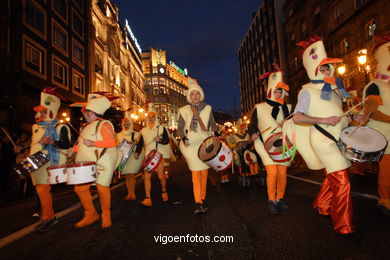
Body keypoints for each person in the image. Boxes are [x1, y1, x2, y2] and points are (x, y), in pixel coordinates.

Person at [291, 36, 367, 235]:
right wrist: (323, 120)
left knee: (333, 175)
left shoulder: (336, 90)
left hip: (339, 139)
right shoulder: (306, 92)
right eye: (323, 68)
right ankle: (344, 225)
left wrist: (354, 118)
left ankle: (322, 203)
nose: (327, 71)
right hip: (323, 141)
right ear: (314, 70)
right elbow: (297, 117)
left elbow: (342, 115)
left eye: (328, 68)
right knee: (342, 179)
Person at [71, 92, 119, 229]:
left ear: (92, 113)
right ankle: (91, 213)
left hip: (101, 163)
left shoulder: (104, 124)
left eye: (86, 113)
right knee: (80, 189)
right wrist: (72, 150)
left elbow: (111, 142)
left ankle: (106, 215)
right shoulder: (86, 127)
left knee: (102, 189)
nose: (84, 115)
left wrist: (93, 143)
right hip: (87, 164)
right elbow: (82, 144)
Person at [248, 65, 291, 215]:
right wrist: (253, 133)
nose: (278, 93)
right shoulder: (259, 107)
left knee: (282, 173)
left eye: (280, 90)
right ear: (270, 91)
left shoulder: (289, 108)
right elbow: (252, 124)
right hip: (265, 144)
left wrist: (288, 123)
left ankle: (280, 198)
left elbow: (295, 125)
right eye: (276, 90)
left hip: (283, 143)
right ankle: (271, 200)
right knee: (272, 173)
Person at [28, 87, 71, 232]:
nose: (40, 114)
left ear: (51, 112)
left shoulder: (60, 127)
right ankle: (50, 216)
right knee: (40, 190)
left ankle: (47, 218)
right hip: (35, 161)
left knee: (43, 189)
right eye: (39, 111)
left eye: (43, 111)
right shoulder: (35, 127)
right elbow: (33, 144)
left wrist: (52, 142)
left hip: (49, 161)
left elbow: (66, 144)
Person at [177, 77, 218, 215]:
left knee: (204, 174)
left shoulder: (208, 109)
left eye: (197, 93)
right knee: (195, 175)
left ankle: (202, 198)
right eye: (192, 94)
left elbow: (213, 124)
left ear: (201, 95)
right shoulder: (183, 110)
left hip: (204, 143)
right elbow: (180, 128)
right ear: (189, 96)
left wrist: (216, 136)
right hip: (190, 144)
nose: (195, 96)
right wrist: (183, 138)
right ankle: (198, 202)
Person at [362, 36, 390, 216]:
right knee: (387, 171)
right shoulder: (375, 86)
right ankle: (384, 200)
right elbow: (371, 112)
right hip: (385, 138)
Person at [134, 103, 170, 207]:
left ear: (155, 117)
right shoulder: (143, 130)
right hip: (148, 156)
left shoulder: (161, 128)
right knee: (147, 177)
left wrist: (160, 139)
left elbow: (166, 140)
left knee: (160, 176)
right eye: (149, 117)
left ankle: (164, 191)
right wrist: (137, 152)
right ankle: (148, 198)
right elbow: (140, 142)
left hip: (158, 156)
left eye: (152, 117)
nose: (151, 119)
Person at [116, 109, 144, 201]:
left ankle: (132, 193)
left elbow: (140, 144)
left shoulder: (136, 134)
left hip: (133, 156)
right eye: (125, 124)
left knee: (131, 174)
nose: (126, 126)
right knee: (127, 176)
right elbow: (116, 146)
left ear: (131, 125)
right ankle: (129, 193)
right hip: (123, 157)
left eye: (128, 124)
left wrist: (134, 148)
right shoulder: (118, 135)